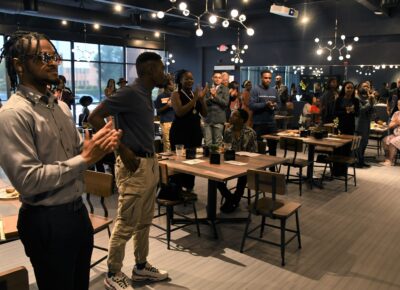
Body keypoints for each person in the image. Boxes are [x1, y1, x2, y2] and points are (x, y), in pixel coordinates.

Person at [0, 31, 121, 290]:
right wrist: (85, 158)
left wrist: (98, 146)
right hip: (45, 220)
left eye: (55, 56)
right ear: (19, 64)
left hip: (77, 213)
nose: (53, 62)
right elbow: (28, 181)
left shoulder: (61, 107)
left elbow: (79, 152)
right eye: (43, 57)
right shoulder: (13, 114)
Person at [88, 52, 169, 289]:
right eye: (161, 69)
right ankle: (113, 273)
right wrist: (120, 148)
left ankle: (141, 267)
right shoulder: (130, 92)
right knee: (126, 222)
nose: (164, 73)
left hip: (149, 164)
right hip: (134, 167)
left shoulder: (145, 95)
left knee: (144, 221)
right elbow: (94, 117)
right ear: (149, 71)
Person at [169, 69, 207, 191]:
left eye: (191, 78)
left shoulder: (194, 94)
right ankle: (177, 189)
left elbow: (205, 114)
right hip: (180, 132)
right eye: (187, 78)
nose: (190, 81)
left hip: (194, 132)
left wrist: (201, 99)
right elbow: (180, 112)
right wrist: (195, 98)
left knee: (192, 161)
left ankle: (189, 188)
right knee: (179, 160)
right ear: (180, 80)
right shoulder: (176, 94)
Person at [217, 109, 257, 213]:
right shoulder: (228, 131)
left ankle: (235, 199)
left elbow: (254, 154)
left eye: (234, 115)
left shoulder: (250, 133)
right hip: (230, 162)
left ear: (241, 120)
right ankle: (231, 198)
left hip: (245, 164)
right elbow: (225, 148)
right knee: (214, 177)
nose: (231, 117)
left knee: (244, 175)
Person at [249, 69, 281, 156]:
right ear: (261, 78)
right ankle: (260, 168)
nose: (268, 80)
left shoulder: (274, 91)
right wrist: (265, 104)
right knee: (258, 149)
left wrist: (273, 106)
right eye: (265, 78)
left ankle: (272, 168)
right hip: (258, 123)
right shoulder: (255, 90)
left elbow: (279, 105)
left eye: (270, 78)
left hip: (271, 123)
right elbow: (252, 105)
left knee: (273, 148)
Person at [203, 71, 229, 146]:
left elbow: (225, 103)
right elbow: (204, 102)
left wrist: (215, 96)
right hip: (208, 118)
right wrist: (212, 98)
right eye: (216, 77)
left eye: (219, 78)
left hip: (219, 119)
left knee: (218, 143)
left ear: (221, 79)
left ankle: (217, 158)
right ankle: (207, 157)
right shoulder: (207, 88)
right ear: (212, 78)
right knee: (207, 143)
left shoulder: (225, 89)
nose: (217, 79)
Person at [356, 81, 375, 168]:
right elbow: (361, 110)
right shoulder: (357, 98)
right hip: (360, 123)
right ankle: (357, 161)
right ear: (359, 87)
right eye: (364, 86)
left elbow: (373, 111)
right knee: (359, 144)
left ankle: (361, 160)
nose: (366, 88)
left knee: (365, 142)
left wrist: (372, 103)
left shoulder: (368, 97)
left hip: (367, 123)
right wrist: (370, 103)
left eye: (368, 86)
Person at [154, 73, 175, 152]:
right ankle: (167, 159)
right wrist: (167, 106)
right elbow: (158, 111)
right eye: (172, 85)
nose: (174, 86)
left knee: (174, 141)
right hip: (165, 122)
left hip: (175, 121)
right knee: (167, 142)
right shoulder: (161, 96)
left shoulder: (175, 95)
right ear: (167, 86)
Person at [382, 99, 400, 166]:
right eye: (398, 105)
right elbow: (390, 125)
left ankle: (391, 160)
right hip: (396, 134)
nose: (399, 106)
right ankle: (387, 157)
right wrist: (396, 123)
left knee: (392, 142)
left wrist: (396, 122)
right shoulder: (396, 113)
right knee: (385, 140)